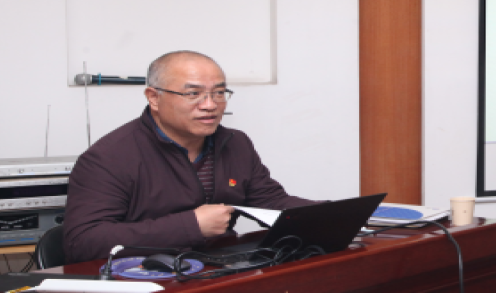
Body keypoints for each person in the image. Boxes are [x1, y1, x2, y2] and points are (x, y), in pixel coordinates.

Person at [63, 51, 320, 263]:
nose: (210, 105)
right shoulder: (109, 157)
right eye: (193, 94)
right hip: (146, 276)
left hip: (218, 268)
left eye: (219, 93)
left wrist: (334, 214)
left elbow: (270, 201)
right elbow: (82, 242)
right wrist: (191, 226)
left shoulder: (235, 143)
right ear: (154, 97)